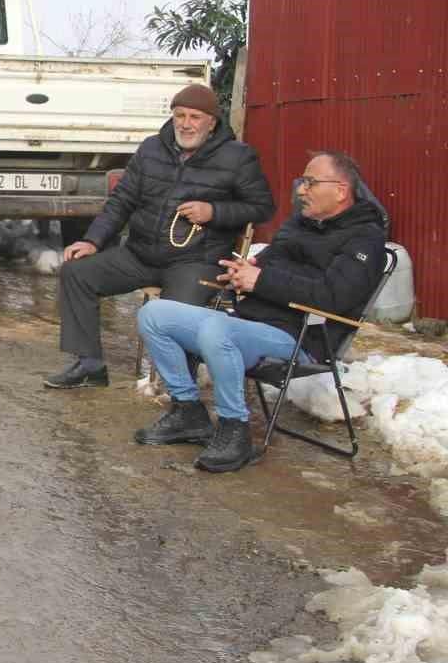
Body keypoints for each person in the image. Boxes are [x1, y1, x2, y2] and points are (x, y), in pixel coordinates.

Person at [135, 151, 387, 472]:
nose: (300, 190)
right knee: (154, 315)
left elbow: (333, 297)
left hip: (300, 336)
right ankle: (188, 411)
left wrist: (263, 280)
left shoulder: (365, 238)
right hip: (248, 323)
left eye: (310, 182)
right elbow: (267, 266)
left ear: (340, 191)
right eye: (301, 182)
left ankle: (234, 431)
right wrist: (242, 273)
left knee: (216, 331)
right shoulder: (300, 224)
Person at [43, 84, 275, 389]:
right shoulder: (152, 148)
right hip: (140, 254)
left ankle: (180, 390)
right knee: (76, 272)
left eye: (194, 117)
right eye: (180, 115)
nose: (186, 123)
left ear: (212, 122)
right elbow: (121, 200)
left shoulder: (237, 156)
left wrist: (213, 211)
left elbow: (262, 207)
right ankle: (90, 365)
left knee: (171, 314)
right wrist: (92, 241)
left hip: (196, 260)